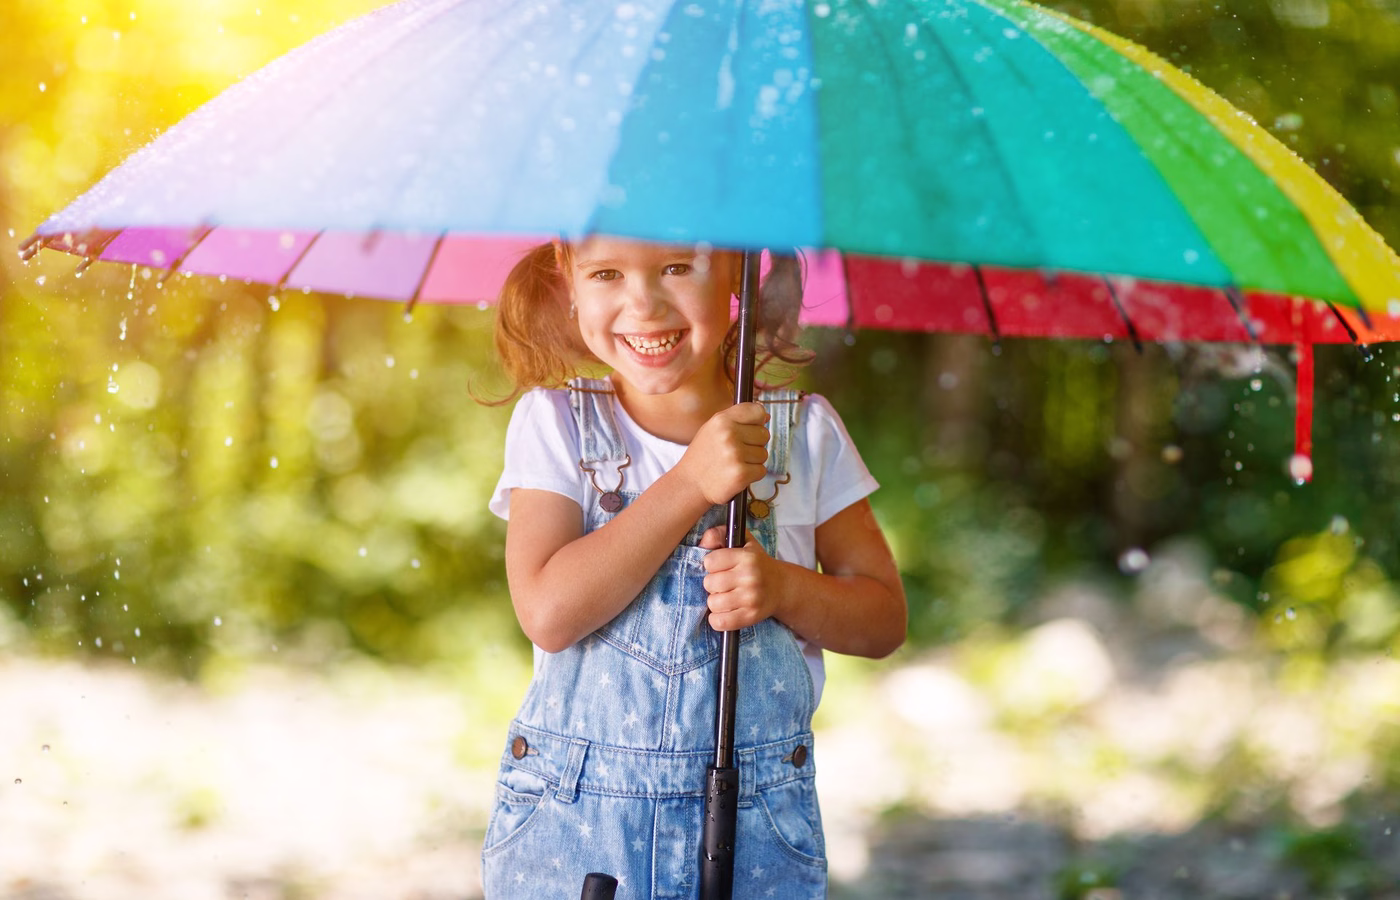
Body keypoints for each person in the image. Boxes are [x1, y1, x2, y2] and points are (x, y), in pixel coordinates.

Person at [481, 235, 906, 899]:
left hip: (754, 829)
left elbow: (882, 620)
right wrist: (689, 483)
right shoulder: (558, 425)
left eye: (677, 267)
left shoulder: (803, 437)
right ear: (567, 280)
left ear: (735, 270)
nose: (643, 303)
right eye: (607, 274)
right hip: (581, 831)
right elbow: (549, 613)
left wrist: (784, 587)